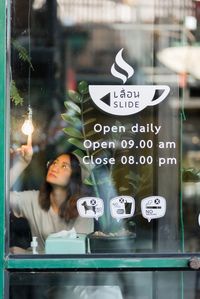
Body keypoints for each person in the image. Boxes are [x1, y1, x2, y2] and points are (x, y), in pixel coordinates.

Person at [10, 139, 94, 252]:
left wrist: (27, 254)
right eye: (54, 163)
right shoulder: (34, 199)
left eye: (64, 166)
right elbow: (1, 196)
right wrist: (21, 163)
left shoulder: (84, 208)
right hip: (35, 269)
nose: (54, 168)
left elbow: (76, 252)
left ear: (75, 178)